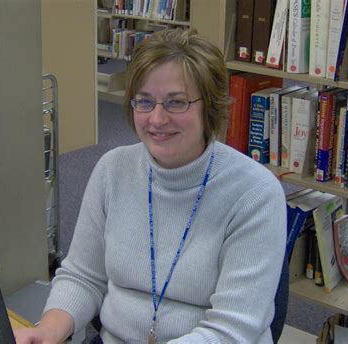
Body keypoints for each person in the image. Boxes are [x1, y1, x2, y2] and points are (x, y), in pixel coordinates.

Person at [14, 28, 286, 344]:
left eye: (176, 103)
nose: (156, 119)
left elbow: (232, 330)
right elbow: (83, 276)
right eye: (144, 101)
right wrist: (48, 330)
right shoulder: (112, 170)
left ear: (209, 107)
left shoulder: (254, 194)